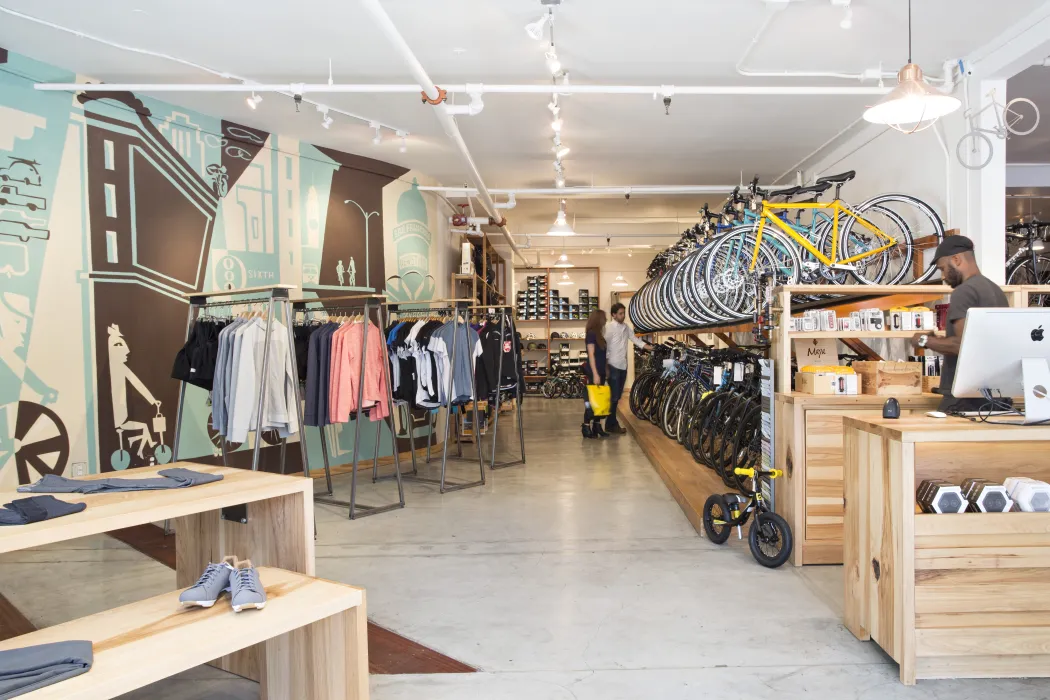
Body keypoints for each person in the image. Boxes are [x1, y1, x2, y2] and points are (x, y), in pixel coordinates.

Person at [910, 235, 1008, 413]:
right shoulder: (995, 290)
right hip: (998, 394)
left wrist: (924, 340)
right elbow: (980, 342)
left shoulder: (964, 291)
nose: (943, 276)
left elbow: (963, 345)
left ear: (956, 259)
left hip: (966, 398)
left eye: (943, 269)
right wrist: (940, 340)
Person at [603, 303, 652, 434]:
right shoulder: (609, 328)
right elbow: (604, 344)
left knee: (617, 397)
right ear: (613, 315)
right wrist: (605, 364)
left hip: (623, 366)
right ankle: (611, 424)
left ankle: (610, 423)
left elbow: (636, 340)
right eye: (620, 313)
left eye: (623, 313)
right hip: (612, 366)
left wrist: (649, 347)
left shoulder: (626, 327)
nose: (622, 315)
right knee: (614, 397)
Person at [582, 310, 609, 439]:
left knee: (600, 399)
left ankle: (597, 425)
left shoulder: (599, 335)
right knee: (591, 400)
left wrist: (605, 370)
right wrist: (595, 374)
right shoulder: (591, 334)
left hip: (601, 371)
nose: (606, 320)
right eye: (604, 318)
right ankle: (586, 426)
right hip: (595, 372)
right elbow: (591, 355)